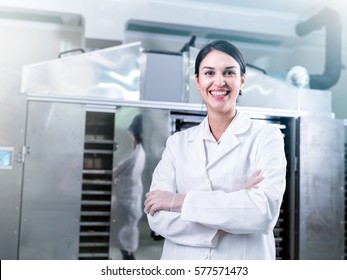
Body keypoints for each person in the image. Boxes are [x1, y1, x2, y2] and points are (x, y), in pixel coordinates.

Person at [144, 40, 287, 260]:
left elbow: (262, 213)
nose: (219, 81)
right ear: (198, 82)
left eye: (229, 72)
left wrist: (178, 201)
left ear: (242, 81)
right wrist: (237, 205)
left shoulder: (266, 137)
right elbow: (157, 217)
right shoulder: (177, 143)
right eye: (209, 73)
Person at [113, 114, 146, 260]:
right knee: (125, 242)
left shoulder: (133, 153)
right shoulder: (139, 151)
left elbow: (116, 171)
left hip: (127, 202)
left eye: (131, 132)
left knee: (125, 244)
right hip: (129, 200)